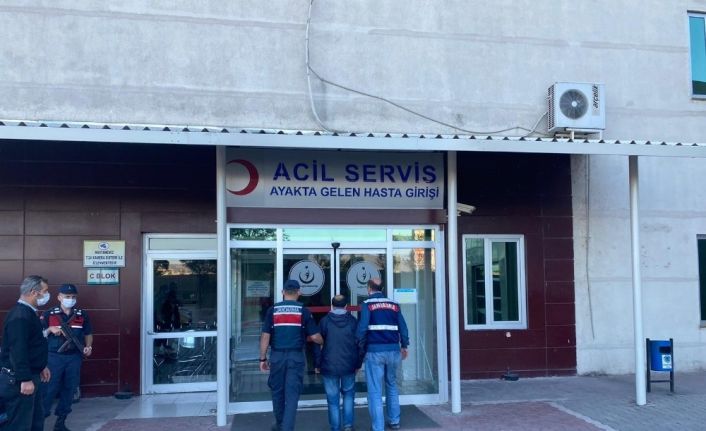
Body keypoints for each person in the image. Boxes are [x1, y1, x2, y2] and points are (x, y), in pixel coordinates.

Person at [259, 279, 323, 431]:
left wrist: (262, 358)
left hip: (277, 356)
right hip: (296, 357)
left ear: (283, 292)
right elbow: (315, 337)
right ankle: (286, 427)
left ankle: (280, 424)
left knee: (277, 392)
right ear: (299, 292)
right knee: (292, 395)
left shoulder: (272, 310)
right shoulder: (303, 311)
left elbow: (265, 336)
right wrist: (323, 342)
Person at [356, 278, 409, 431]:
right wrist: (404, 346)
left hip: (374, 352)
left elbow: (362, 329)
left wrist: (358, 346)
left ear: (369, 288)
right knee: (391, 384)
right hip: (393, 351)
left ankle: (378, 427)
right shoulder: (394, 305)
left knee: (375, 390)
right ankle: (394, 421)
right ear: (382, 288)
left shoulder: (367, 305)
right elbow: (403, 327)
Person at [0, 275, 52, 431]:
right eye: (45, 291)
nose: (47, 295)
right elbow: (18, 350)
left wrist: (41, 366)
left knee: (35, 421)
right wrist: (25, 378)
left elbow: (32, 346)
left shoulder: (29, 313)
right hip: (18, 381)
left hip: (31, 374)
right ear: (34, 292)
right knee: (20, 425)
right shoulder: (20, 316)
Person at [40, 283, 93, 431]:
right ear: (59, 297)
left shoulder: (81, 314)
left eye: (73, 297)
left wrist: (88, 346)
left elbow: (88, 333)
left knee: (69, 389)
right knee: (48, 389)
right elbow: (38, 335)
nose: (70, 299)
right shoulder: (49, 314)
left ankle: (60, 423)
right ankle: (39, 423)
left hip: (74, 357)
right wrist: (50, 329)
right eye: (67, 296)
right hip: (53, 357)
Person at [314, 295, 363, 431]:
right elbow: (360, 344)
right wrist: (358, 364)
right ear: (346, 306)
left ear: (332, 306)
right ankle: (348, 426)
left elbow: (317, 344)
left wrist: (317, 364)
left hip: (329, 365)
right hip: (349, 365)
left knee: (332, 399)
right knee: (348, 396)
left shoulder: (324, 321)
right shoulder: (353, 322)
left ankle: (335, 428)